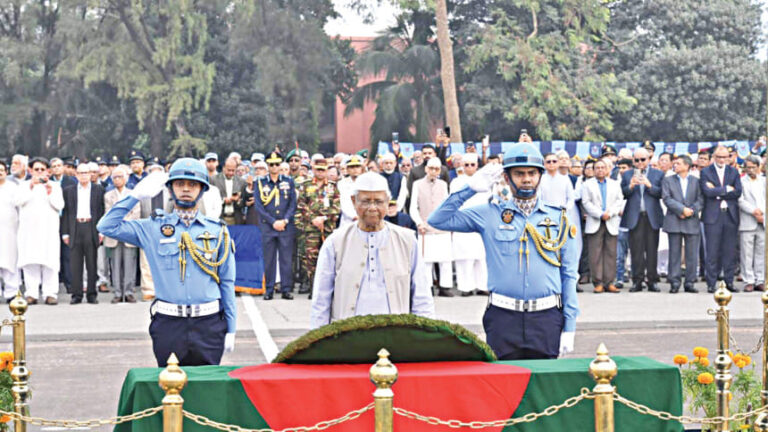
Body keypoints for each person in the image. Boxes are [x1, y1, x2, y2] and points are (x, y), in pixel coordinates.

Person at [428, 143, 579, 360]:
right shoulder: (490, 213)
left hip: (546, 318)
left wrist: (570, 325)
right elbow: (437, 219)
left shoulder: (559, 218)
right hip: (503, 317)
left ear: (540, 176)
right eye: (519, 174)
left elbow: (569, 274)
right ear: (507, 178)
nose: (526, 179)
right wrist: (469, 188)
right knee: (505, 387)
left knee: (543, 388)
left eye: (531, 173)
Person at [97, 158, 236, 366]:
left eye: (192, 184)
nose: (186, 189)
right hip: (169, 324)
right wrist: (135, 196)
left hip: (209, 324)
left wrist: (231, 328)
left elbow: (226, 282)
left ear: (202, 190)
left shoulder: (217, 230)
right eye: (180, 184)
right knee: (170, 392)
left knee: (207, 392)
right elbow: (107, 226)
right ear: (170, 189)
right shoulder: (153, 227)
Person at [310, 172, 435, 328]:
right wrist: (317, 342)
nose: (372, 208)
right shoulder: (335, 242)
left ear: (388, 202)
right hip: (347, 336)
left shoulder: (407, 241)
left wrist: (424, 336)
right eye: (365, 201)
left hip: (395, 335)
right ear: (353, 201)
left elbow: (422, 297)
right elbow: (321, 299)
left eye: (378, 201)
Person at [16, 157, 64, 305]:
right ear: (30, 171)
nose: (39, 172)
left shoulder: (54, 186)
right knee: (30, 263)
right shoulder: (23, 186)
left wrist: (49, 192)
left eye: (42, 169)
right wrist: (31, 187)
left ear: (48, 171)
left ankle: (50, 293)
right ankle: (31, 293)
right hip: (29, 231)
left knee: (50, 263)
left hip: (48, 231)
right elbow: (17, 202)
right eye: (36, 169)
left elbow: (60, 205)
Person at [249, 151, 296, 300]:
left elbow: (293, 204)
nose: (274, 167)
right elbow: (259, 206)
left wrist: (285, 220)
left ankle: (286, 288)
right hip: (268, 226)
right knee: (268, 259)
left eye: (277, 164)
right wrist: (273, 222)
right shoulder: (260, 182)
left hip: (285, 226)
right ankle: (269, 289)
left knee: (286, 259)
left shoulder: (288, 181)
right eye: (271, 164)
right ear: (267, 165)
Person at [620, 148, 664, 293]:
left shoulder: (658, 174)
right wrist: (631, 185)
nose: (640, 163)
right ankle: (637, 281)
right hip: (635, 216)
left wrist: (649, 185)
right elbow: (623, 194)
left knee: (652, 250)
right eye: (636, 160)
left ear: (649, 160)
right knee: (636, 251)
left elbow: (662, 194)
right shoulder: (627, 174)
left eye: (642, 160)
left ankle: (652, 280)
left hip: (651, 216)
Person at [295, 160, 340, 298]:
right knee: (311, 260)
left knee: (328, 259)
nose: (320, 172)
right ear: (313, 170)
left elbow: (336, 207)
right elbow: (301, 205)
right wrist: (313, 219)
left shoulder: (333, 187)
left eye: (323, 170)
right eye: (318, 169)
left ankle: (328, 290)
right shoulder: (306, 185)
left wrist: (324, 218)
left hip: (327, 228)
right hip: (311, 229)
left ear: (327, 171)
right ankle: (314, 289)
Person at [700, 146, 742, 293]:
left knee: (729, 251)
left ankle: (729, 281)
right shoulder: (706, 171)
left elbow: (737, 192)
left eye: (725, 157)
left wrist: (717, 191)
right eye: (719, 157)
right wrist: (725, 189)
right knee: (712, 250)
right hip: (712, 215)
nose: (722, 160)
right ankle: (711, 283)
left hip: (729, 215)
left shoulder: (733, 171)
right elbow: (706, 192)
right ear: (714, 157)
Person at [61, 163, 105, 305]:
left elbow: (101, 211)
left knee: (92, 263)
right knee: (75, 264)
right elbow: (66, 213)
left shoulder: (98, 190)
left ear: (91, 174)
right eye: (81, 173)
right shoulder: (69, 191)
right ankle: (76, 294)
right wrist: (65, 233)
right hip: (75, 227)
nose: (84, 176)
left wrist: (101, 231)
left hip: (92, 227)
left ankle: (92, 294)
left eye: (86, 173)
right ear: (76, 175)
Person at [410, 157, 454, 297]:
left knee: (445, 260)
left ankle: (445, 287)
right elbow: (412, 207)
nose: (433, 171)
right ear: (426, 169)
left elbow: (447, 205)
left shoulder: (443, 184)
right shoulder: (417, 184)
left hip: (442, 228)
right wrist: (418, 222)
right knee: (426, 261)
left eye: (436, 169)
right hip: (425, 228)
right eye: (431, 168)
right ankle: (427, 287)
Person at [661, 155, 703, 294]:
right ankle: (674, 281)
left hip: (691, 219)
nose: (675, 165)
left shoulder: (696, 181)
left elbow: (701, 199)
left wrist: (691, 210)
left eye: (678, 163)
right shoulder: (668, 180)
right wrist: (681, 209)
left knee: (692, 254)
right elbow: (666, 198)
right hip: (674, 219)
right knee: (674, 253)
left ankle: (690, 282)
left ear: (687, 166)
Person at [581, 159, 624, 293]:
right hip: (595, 221)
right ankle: (598, 283)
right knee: (595, 254)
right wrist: (600, 214)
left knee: (611, 253)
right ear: (593, 170)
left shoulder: (615, 184)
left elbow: (619, 200)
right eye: (597, 168)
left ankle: (609, 282)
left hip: (611, 220)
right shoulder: (587, 184)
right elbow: (586, 202)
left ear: (608, 170)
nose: (600, 170)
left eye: (602, 167)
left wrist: (610, 213)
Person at [449, 152, 488, 296]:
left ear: (477, 166)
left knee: (481, 258)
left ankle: (482, 286)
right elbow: (453, 203)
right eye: (467, 165)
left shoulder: (484, 182)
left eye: (473, 165)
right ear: (462, 166)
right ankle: (466, 287)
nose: (470, 167)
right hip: (463, 222)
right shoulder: (456, 182)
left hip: (481, 223)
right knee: (464, 259)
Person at [103, 165, 140, 303]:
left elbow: (136, 213)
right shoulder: (108, 195)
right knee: (115, 265)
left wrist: (123, 224)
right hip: (114, 234)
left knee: (130, 264)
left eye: (120, 176)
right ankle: (118, 292)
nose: (117, 180)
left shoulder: (133, 194)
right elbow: (108, 213)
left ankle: (129, 292)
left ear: (126, 178)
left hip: (129, 232)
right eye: (114, 177)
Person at [738, 155, 765, 292]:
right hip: (748, 220)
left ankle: (759, 280)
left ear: (759, 167)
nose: (750, 170)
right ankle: (748, 280)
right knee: (746, 253)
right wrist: (754, 211)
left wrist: (763, 215)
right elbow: (740, 200)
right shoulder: (741, 181)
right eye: (748, 167)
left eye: (753, 167)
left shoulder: (764, 181)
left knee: (761, 252)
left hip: (763, 221)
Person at [0, 160, 20, 301]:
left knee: (10, 262)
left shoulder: (13, 188)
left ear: (6, 172)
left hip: (10, 231)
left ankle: (11, 292)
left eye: (1, 170)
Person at [211, 157, 245, 225]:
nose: (231, 173)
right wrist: (223, 200)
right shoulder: (213, 180)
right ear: (223, 168)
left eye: (233, 170)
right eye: (229, 170)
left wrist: (238, 200)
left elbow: (244, 202)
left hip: (236, 219)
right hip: (219, 218)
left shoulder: (241, 182)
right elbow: (210, 200)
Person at [337, 155, 365, 226]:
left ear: (361, 168)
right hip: (348, 221)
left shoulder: (366, 183)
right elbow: (344, 203)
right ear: (347, 169)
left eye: (357, 167)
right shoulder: (342, 184)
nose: (355, 169)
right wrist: (354, 217)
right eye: (352, 167)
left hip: (364, 219)